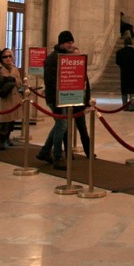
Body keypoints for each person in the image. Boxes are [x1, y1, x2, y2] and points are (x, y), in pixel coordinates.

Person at [37, 30, 81, 170]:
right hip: (56, 98)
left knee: (59, 125)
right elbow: (51, 82)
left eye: (71, 43)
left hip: (64, 97)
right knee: (61, 125)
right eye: (69, 42)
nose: (71, 45)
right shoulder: (52, 59)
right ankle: (57, 157)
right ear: (62, 42)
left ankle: (45, 151)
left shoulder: (64, 57)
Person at [0, 48, 22, 150]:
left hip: (14, 97)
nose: (7, 59)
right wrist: (4, 80)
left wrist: (13, 79)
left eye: (9, 56)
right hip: (4, 97)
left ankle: (7, 138)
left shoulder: (14, 68)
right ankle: (2, 141)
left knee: (11, 120)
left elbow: (19, 82)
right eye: (5, 56)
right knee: (4, 120)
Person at [115, 37, 134, 110]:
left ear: (124, 43)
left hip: (124, 74)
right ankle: (132, 106)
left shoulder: (119, 52)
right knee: (132, 91)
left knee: (124, 91)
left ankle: (124, 106)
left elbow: (117, 62)